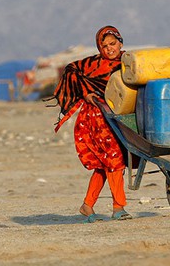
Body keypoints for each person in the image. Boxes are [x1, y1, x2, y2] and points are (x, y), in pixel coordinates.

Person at [49, 25, 132, 222]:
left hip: (118, 117)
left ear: (120, 42)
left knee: (104, 165)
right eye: (104, 46)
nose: (109, 49)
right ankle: (118, 207)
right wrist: (85, 92)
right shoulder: (92, 64)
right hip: (95, 117)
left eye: (113, 44)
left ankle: (87, 206)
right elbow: (70, 69)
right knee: (114, 159)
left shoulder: (129, 62)